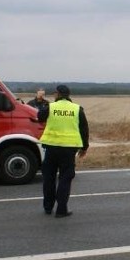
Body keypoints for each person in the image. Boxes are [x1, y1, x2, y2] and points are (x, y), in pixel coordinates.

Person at [38, 84, 89, 218]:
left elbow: (39, 117)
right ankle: (61, 210)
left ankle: (48, 207)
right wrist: (84, 148)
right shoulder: (77, 109)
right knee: (65, 179)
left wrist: (41, 101)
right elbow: (84, 130)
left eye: (55, 93)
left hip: (51, 147)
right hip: (69, 149)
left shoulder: (50, 107)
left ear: (58, 94)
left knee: (49, 178)